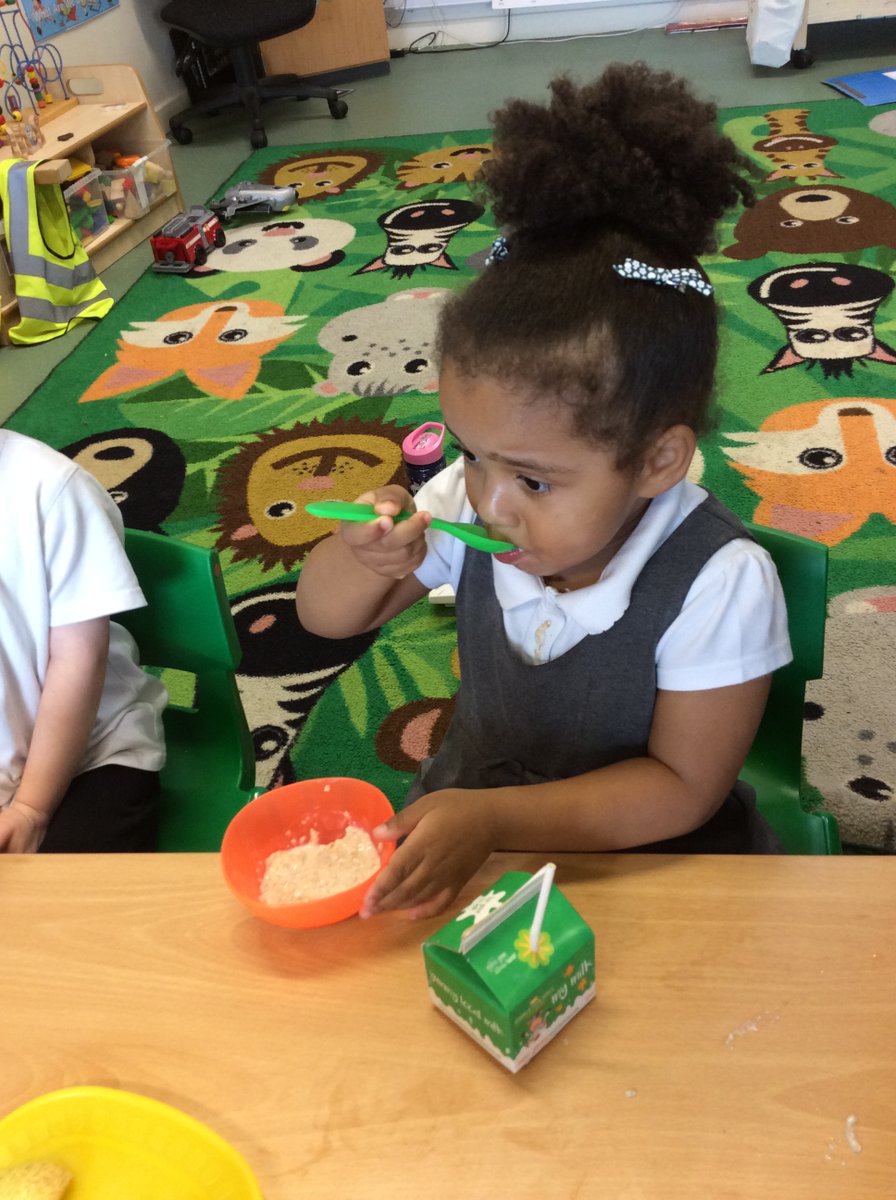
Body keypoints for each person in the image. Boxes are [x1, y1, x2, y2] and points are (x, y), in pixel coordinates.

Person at [296, 62, 792, 919]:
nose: (490, 500)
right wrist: (364, 556)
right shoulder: (471, 498)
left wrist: (492, 821)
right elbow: (325, 619)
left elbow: (681, 789)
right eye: (470, 453)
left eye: (533, 477)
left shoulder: (719, 581)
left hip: (644, 860)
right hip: (473, 818)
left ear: (658, 463)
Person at [0, 429, 166, 853]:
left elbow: (79, 661)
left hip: (86, 757)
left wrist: (31, 810)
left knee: (69, 908)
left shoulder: (48, 488)